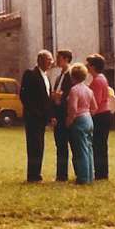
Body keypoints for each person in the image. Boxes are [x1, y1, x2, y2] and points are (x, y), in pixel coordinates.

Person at [19, 50, 54, 182]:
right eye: (49, 59)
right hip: (33, 117)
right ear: (40, 60)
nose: (51, 62)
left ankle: (37, 173)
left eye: (51, 60)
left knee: (40, 146)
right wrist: (35, 112)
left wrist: (50, 115)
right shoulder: (30, 74)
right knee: (33, 146)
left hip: (42, 118)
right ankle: (32, 175)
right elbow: (24, 96)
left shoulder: (46, 77)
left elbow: (46, 98)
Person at [67, 62, 97, 184]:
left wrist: (69, 120)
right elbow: (94, 107)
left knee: (80, 150)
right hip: (88, 119)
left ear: (73, 76)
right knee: (89, 148)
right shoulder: (89, 90)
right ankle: (90, 176)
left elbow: (73, 108)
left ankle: (83, 178)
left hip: (79, 120)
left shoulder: (74, 90)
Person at [86, 53, 112, 180]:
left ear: (93, 66)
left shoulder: (97, 81)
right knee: (101, 144)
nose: (86, 66)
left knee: (98, 144)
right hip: (105, 114)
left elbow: (95, 102)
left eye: (88, 64)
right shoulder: (102, 78)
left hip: (100, 115)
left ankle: (101, 173)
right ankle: (102, 172)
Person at [51, 49, 73, 181]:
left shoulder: (71, 75)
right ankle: (61, 174)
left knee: (67, 144)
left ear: (65, 59)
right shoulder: (59, 76)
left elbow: (71, 94)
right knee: (60, 145)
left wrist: (61, 98)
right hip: (58, 114)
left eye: (58, 58)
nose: (56, 60)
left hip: (66, 114)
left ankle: (65, 174)